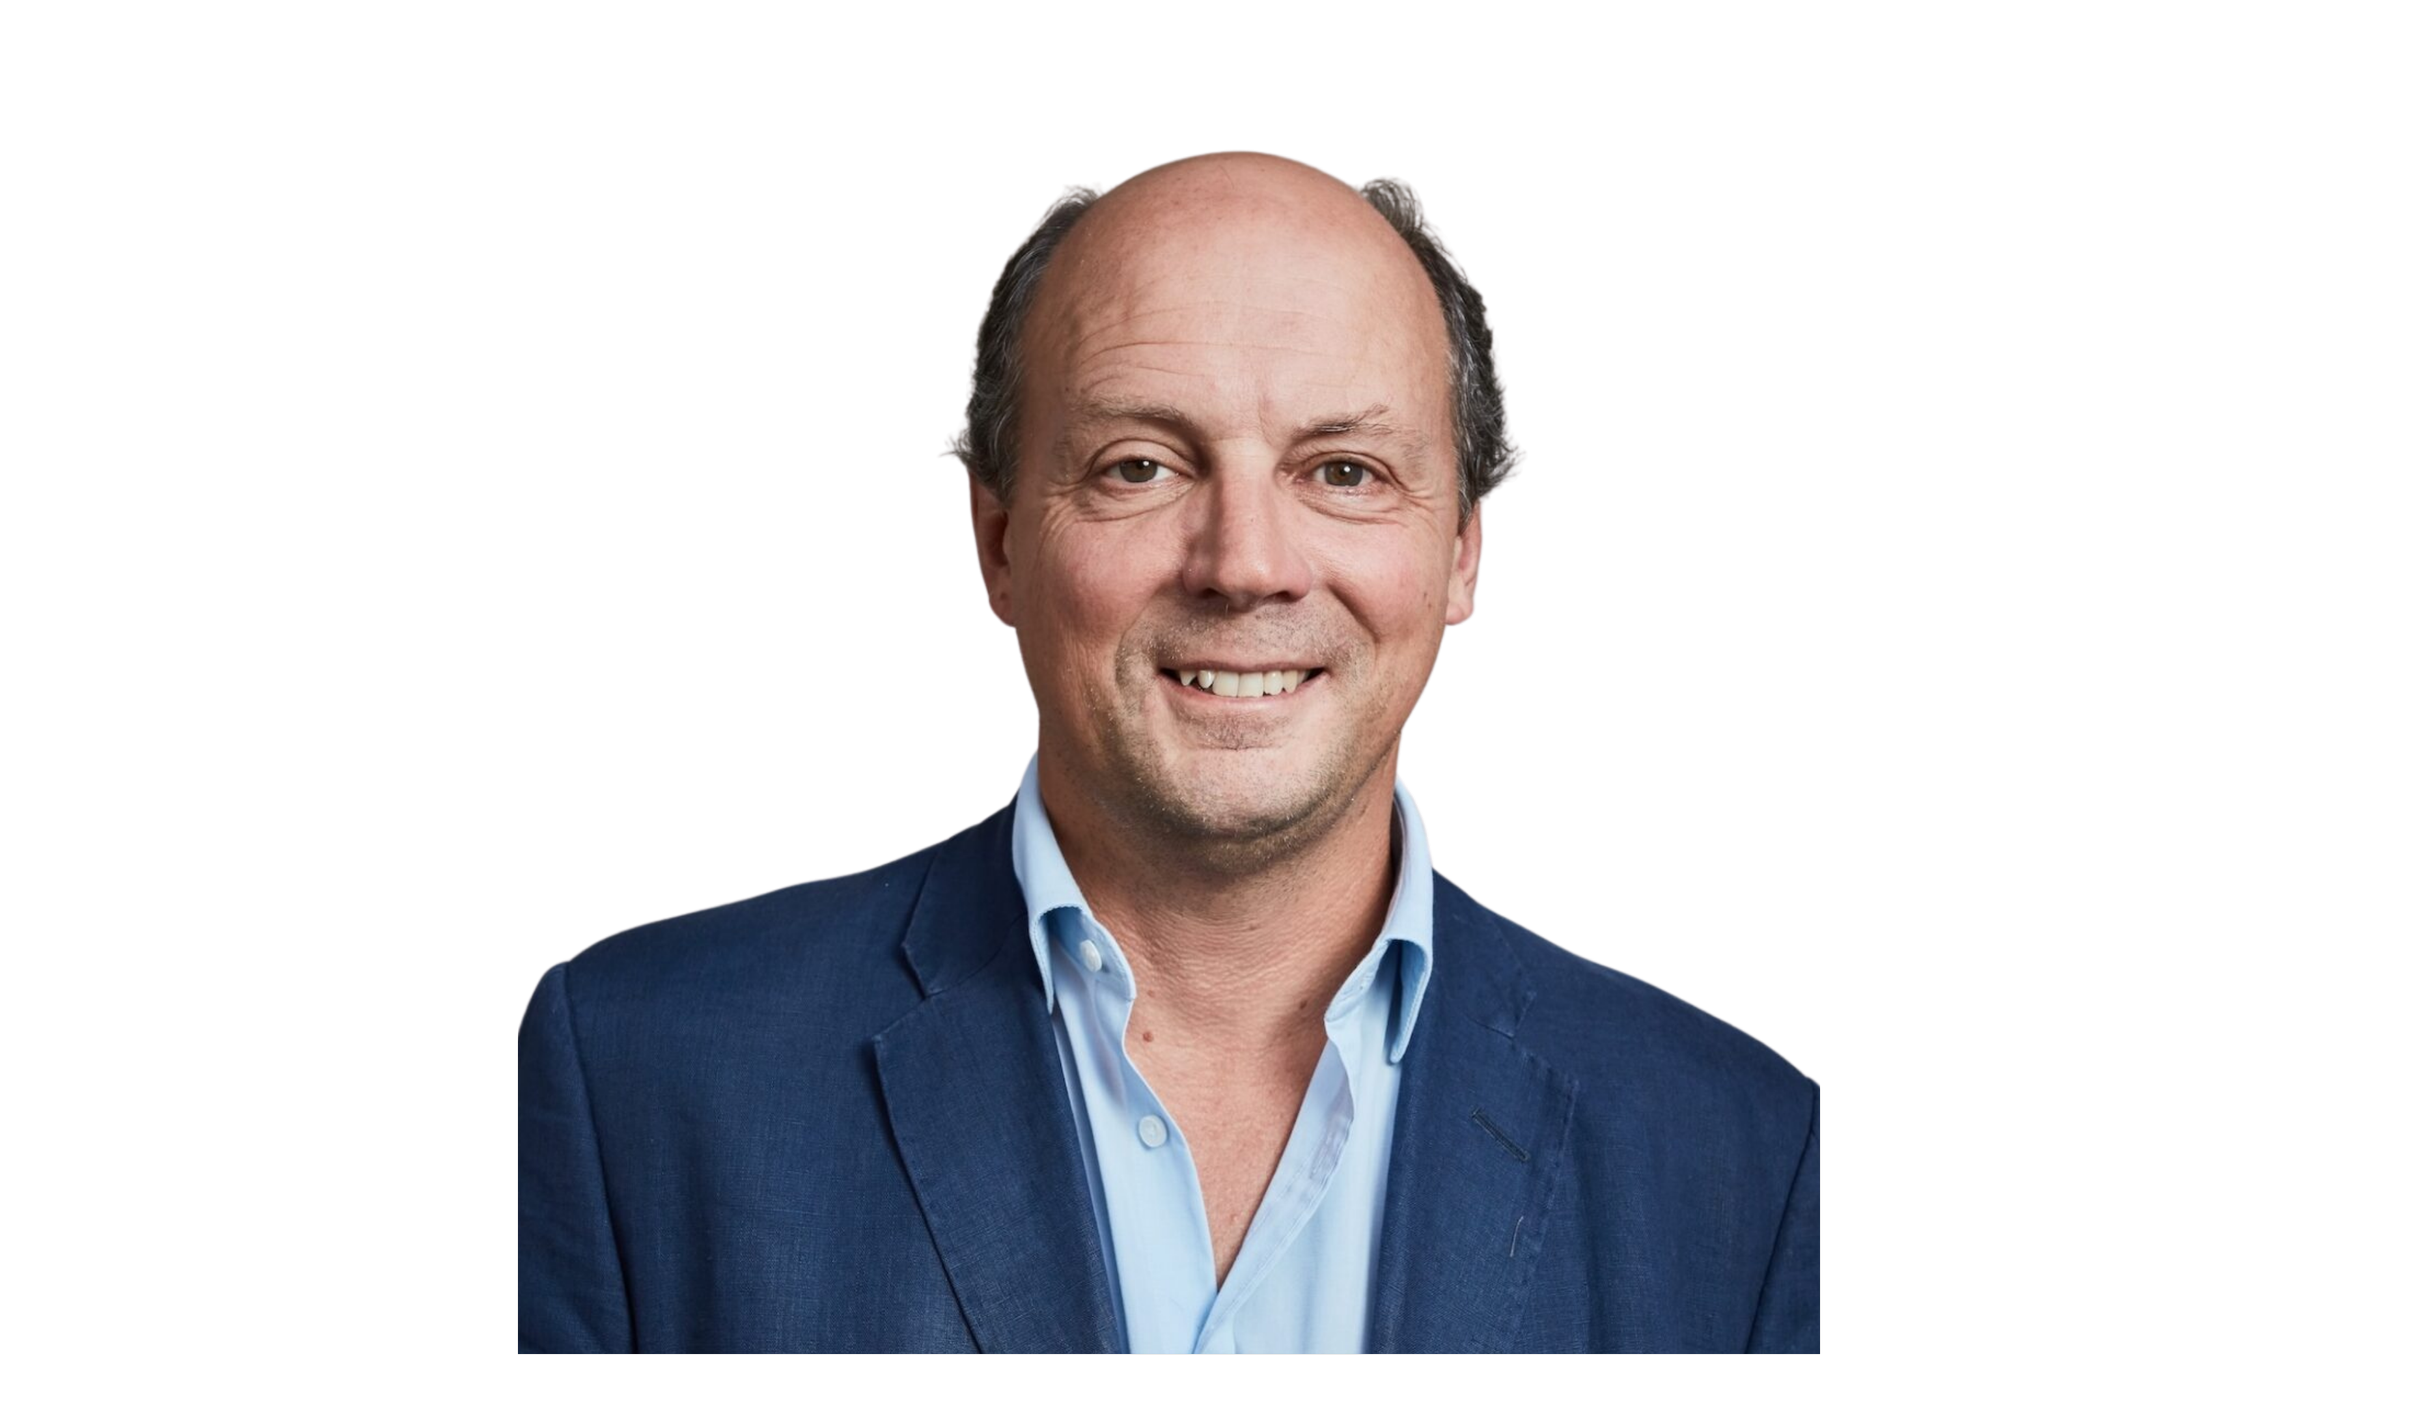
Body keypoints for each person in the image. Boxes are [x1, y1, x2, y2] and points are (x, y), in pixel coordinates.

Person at [515, 149, 1820, 1356]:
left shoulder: (1741, 1157)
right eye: (1141, 464)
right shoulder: (639, 1085)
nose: (1245, 563)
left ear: (1466, 550)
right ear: (1002, 535)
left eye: (1346, 470)